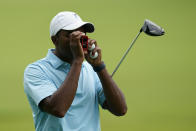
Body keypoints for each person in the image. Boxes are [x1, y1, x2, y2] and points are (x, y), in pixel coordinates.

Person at [24, 11, 127, 131]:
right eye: (71, 35)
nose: (78, 40)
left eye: (82, 34)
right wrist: (77, 60)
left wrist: (99, 66)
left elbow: (120, 110)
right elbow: (58, 109)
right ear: (55, 40)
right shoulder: (36, 70)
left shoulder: (90, 69)